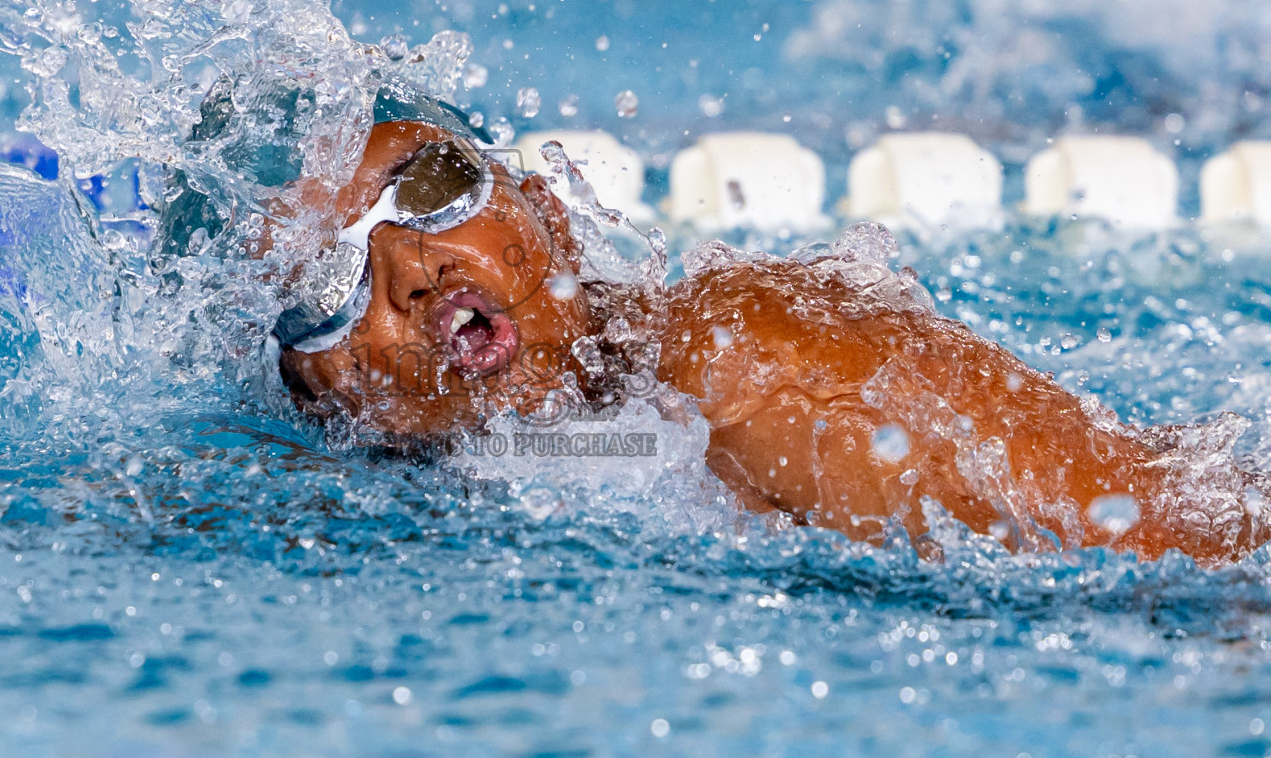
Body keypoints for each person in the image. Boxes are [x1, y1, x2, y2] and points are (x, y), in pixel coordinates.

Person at [242, 86, 1265, 567]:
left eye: (428, 186)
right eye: (327, 279)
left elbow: (1180, 537)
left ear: (547, 214)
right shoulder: (454, 479)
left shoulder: (748, 360)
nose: (412, 268)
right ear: (318, 393)